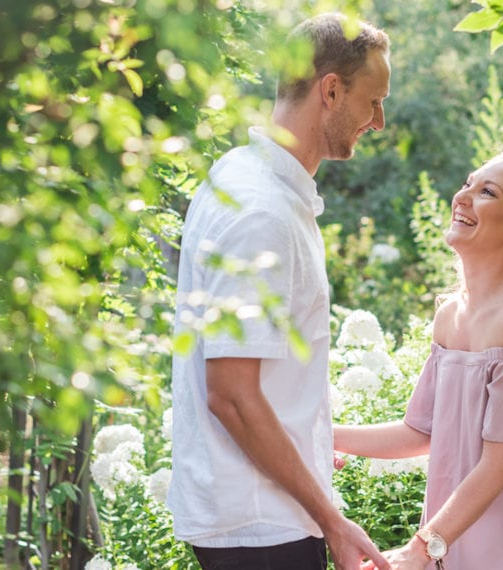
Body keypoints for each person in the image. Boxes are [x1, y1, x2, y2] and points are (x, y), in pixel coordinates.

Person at [168, 13, 392, 570]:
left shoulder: (245, 178)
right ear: (332, 90)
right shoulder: (261, 213)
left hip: (262, 517)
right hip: (262, 527)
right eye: (373, 101)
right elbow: (232, 397)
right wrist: (332, 521)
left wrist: (311, 442)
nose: (379, 121)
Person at [334, 149, 503, 570]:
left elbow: (497, 466)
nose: (463, 197)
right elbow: (418, 431)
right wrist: (322, 435)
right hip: (456, 540)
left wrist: (419, 550)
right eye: (466, 184)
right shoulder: (450, 315)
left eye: (487, 192)